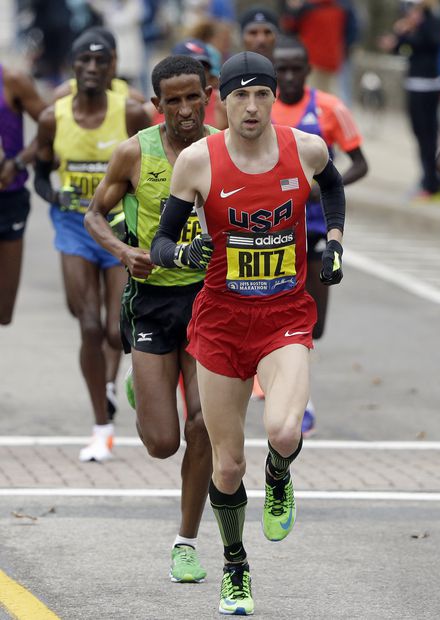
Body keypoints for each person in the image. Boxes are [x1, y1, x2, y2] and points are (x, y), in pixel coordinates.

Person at [151, 51, 345, 616]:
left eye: (263, 94)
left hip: (284, 316)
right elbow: (163, 244)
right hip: (220, 324)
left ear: (274, 96)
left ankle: (280, 472)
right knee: (226, 466)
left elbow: (332, 186)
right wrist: (185, 250)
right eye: (241, 96)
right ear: (222, 99)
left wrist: (332, 239)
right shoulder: (196, 161)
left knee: (284, 430)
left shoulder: (304, 148)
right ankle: (236, 569)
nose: (253, 106)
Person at [84, 55, 215, 583]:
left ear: (208, 95)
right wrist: (121, 250)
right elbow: (93, 214)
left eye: (193, 97)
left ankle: (186, 541)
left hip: (209, 303)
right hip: (152, 304)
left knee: (204, 425)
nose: (185, 109)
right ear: (157, 105)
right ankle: (143, 381)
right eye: (173, 100)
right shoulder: (135, 151)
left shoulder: (224, 148)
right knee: (163, 443)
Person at [34, 31, 149, 462]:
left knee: (116, 328)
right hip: (74, 228)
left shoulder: (132, 112)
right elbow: (42, 175)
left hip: (118, 230)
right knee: (86, 323)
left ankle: (106, 386)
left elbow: (152, 163)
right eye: (85, 61)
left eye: (102, 62)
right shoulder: (52, 117)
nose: (93, 69)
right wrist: (53, 195)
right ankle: (101, 426)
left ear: (113, 66)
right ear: (73, 66)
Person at [270, 35, 368, 434]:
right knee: (275, 310)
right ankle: (297, 397)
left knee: (316, 322)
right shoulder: (259, 108)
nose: (290, 77)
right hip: (271, 227)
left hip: (313, 226)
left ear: (308, 71)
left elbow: (361, 163)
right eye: (283, 70)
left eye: (297, 69)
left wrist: (326, 186)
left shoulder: (329, 108)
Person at [379, 0, 440, 200]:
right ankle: (427, 177)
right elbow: (400, 49)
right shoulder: (410, 21)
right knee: (418, 132)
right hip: (413, 83)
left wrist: (413, 29)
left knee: (428, 134)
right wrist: (399, 36)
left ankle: (432, 183)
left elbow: (432, 43)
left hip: (429, 84)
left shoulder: (432, 20)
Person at [0, 65, 47, 325]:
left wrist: (17, 163)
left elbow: (52, 127)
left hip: (9, 200)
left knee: (3, 313)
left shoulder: (13, 80)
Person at [145, 37, 228, 129]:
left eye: (202, 68)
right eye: (184, 69)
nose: (193, 74)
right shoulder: (149, 112)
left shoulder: (224, 106)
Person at [52, 26, 146, 104]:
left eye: (103, 60)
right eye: (86, 59)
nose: (93, 67)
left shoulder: (133, 99)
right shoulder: (63, 97)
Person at [281, 0, 351, 95]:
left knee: (310, 96)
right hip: (332, 61)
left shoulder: (307, 9)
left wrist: (292, 10)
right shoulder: (340, 10)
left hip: (312, 60)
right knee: (329, 98)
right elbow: (349, 35)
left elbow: (288, 26)